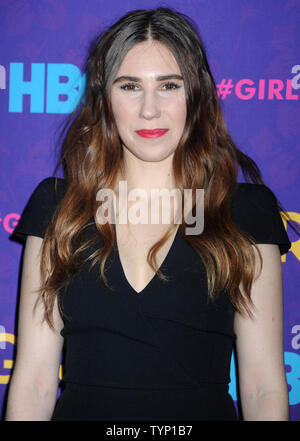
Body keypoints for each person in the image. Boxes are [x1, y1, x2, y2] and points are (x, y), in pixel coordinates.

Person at [5, 7, 295, 421]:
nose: (148, 110)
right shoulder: (58, 208)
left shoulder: (245, 213)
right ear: (104, 98)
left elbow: (263, 385)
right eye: (129, 86)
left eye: (168, 86)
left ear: (196, 94)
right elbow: (34, 382)